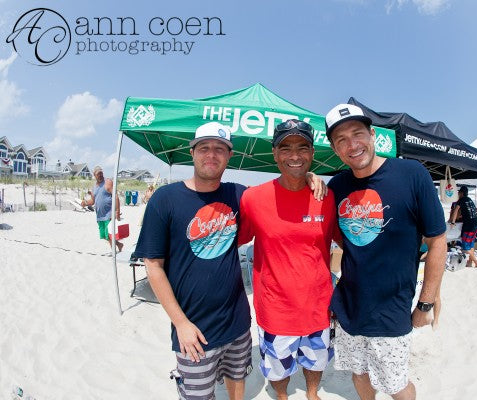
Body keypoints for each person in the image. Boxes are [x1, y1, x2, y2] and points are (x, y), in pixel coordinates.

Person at [325, 104, 447, 400]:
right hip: (348, 306)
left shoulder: (412, 174)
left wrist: (426, 304)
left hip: (392, 309)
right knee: (359, 372)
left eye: (357, 133)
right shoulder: (337, 185)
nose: (352, 145)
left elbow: (438, 243)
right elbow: (342, 241)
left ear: (373, 135)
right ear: (334, 149)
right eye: (341, 140)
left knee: (396, 384)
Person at [135, 122, 253, 400]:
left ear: (229, 156)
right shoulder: (165, 199)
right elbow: (153, 266)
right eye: (204, 148)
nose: (211, 154)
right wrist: (181, 324)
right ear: (192, 152)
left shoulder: (238, 195)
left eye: (219, 149)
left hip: (238, 323)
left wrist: (310, 177)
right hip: (193, 330)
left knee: (237, 380)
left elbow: (280, 192)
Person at [238, 119, 340, 400]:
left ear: (312, 153)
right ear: (274, 152)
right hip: (275, 307)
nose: (294, 156)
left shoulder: (328, 196)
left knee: (316, 360)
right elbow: (233, 239)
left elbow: (348, 240)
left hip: (319, 304)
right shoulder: (252, 198)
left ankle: (311, 392)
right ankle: (282, 396)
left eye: (302, 147)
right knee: (277, 368)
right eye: (286, 148)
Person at [82, 166, 123, 252]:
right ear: (94, 175)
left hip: (109, 214)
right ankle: (119, 244)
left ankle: (114, 253)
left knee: (109, 235)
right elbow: (92, 201)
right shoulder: (94, 187)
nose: (100, 175)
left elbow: (115, 196)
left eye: (101, 173)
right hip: (99, 215)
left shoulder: (108, 182)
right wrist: (85, 203)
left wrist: (117, 211)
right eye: (98, 174)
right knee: (104, 236)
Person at [450, 186, 477, 268]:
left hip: (468, 227)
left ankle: (476, 262)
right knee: (471, 245)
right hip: (475, 225)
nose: (458, 194)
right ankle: (469, 263)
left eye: (459, 193)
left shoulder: (461, 200)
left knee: (466, 247)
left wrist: (452, 222)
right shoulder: (470, 200)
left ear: (462, 193)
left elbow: (456, 210)